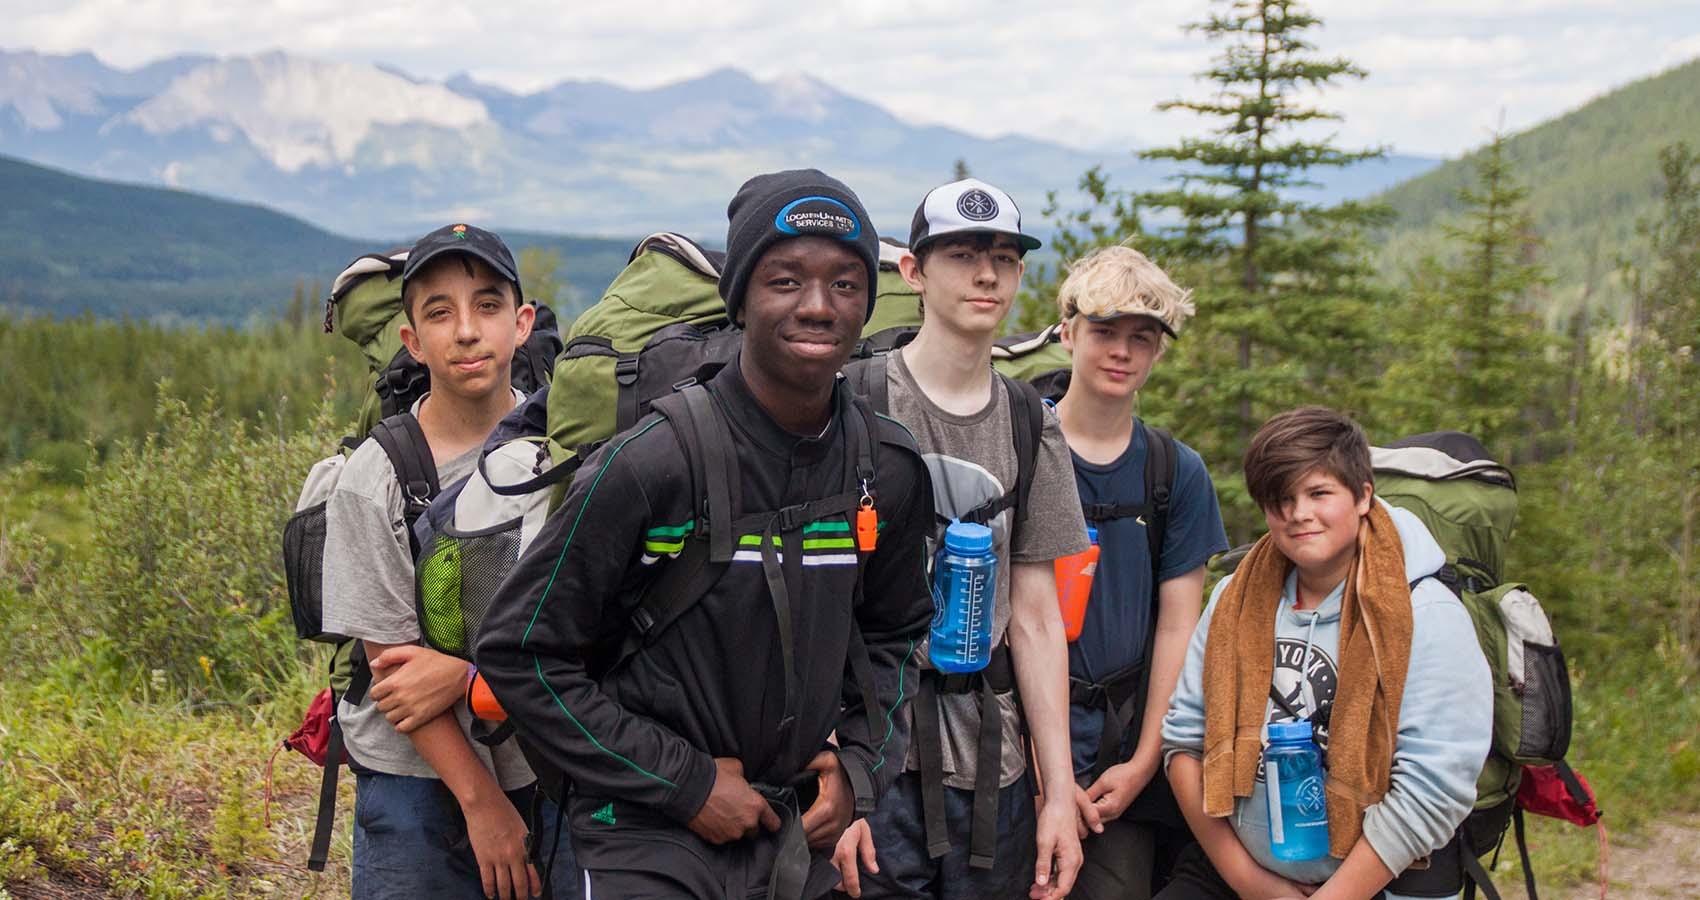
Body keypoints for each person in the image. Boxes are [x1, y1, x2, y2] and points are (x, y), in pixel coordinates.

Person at [473, 169, 936, 900]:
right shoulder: (653, 463)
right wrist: (684, 783)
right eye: (786, 280)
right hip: (641, 832)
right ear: (741, 299)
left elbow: (898, 633)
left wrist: (857, 770)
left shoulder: (887, 468)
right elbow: (519, 651)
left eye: (846, 284)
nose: (819, 306)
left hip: (788, 825)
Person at [834, 178, 1088, 900]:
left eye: (1005, 259)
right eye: (963, 255)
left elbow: (1037, 619)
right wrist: (832, 777)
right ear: (913, 271)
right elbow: (818, 606)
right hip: (874, 758)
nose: (987, 275)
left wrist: (1058, 793)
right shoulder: (855, 402)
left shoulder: (1028, 421)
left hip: (992, 765)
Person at [320, 222, 574, 899]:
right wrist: (482, 803)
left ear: (521, 324)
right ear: (412, 340)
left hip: (546, 761)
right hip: (417, 775)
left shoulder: (564, 451)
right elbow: (398, 676)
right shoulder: (377, 475)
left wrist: (464, 674)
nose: (467, 331)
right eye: (440, 312)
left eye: (488, 306)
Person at [1158, 406, 1492, 900]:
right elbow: (1184, 741)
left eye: (1319, 493)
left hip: (1384, 885)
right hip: (1240, 873)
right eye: (1281, 499)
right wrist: (1252, 884)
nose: (1298, 514)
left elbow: (1431, 790)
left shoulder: (1425, 612)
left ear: (1362, 496)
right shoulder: (1235, 597)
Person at [1049, 245, 1228, 899]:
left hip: (1120, 756)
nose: (1121, 352)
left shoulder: (1175, 473)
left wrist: (1144, 762)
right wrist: (1041, 762)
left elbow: (1180, 631)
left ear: (1158, 351)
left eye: (1141, 338)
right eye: (1104, 332)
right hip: (1011, 748)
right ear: (1068, 332)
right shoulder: (1021, 451)